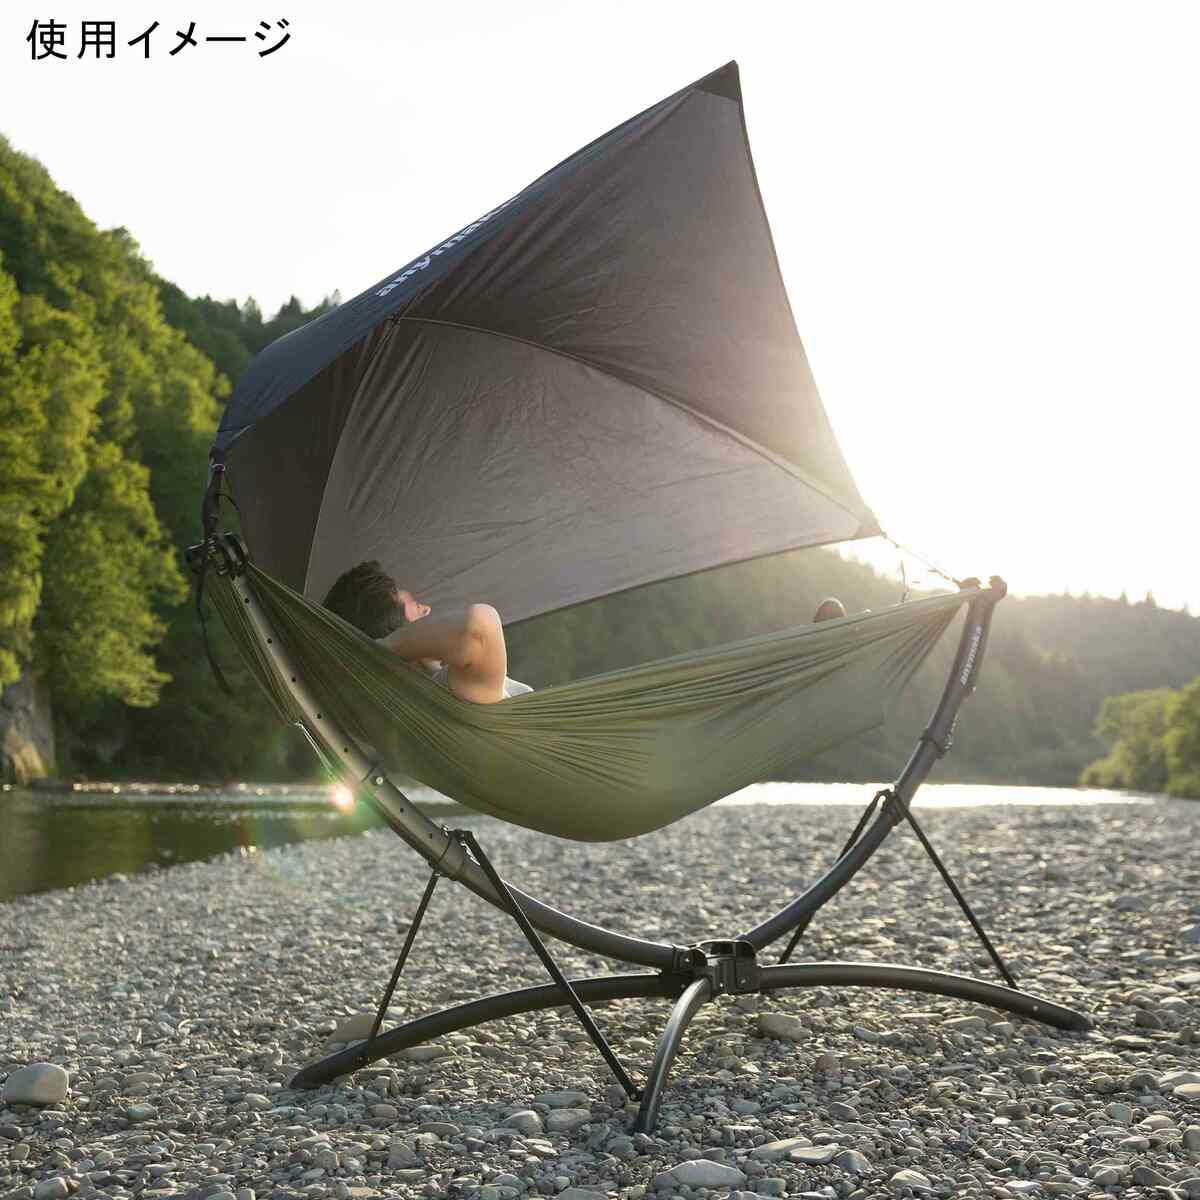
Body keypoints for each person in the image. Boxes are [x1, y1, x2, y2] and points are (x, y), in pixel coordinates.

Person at [322, 560, 532, 704]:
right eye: (416, 606)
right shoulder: (449, 688)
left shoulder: (443, 684)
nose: (427, 610)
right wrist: (382, 648)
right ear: (400, 634)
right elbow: (479, 627)